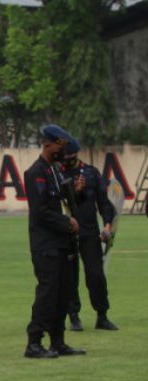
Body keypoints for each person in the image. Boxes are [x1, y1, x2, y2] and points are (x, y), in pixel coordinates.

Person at [24, 124, 84, 359]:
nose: (63, 152)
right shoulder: (35, 173)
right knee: (47, 293)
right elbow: (41, 212)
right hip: (45, 244)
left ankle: (58, 341)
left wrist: (76, 194)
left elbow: (61, 203)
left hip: (62, 242)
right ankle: (34, 342)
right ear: (48, 144)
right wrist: (66, 223)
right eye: (59, 147)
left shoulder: (55, 172)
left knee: (63, 293)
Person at [62, 140, 118, 331]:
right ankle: (74, 317)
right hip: (66, 233)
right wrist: (74, 192)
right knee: (70, 277)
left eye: (70, 156)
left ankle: (102, 315)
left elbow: (104, 203)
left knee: (95, 275)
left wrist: (108, 226)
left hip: (90, 232)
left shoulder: (92, 173)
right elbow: (63, 205)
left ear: (76, 154)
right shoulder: (57, 173)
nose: (67, 159)